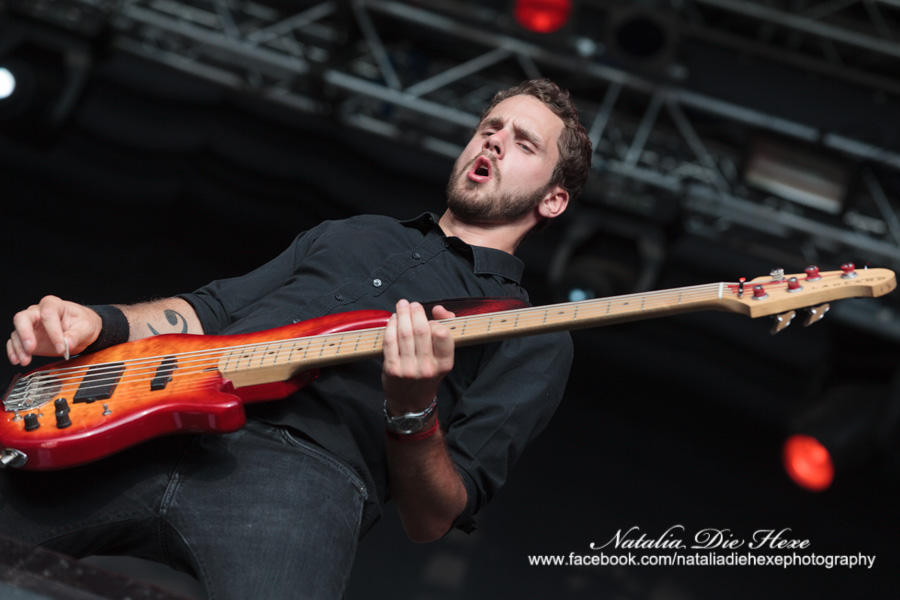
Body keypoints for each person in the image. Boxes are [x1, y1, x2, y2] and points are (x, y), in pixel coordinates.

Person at [2, 79, 592, 598]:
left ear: (554, 198)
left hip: (305, 479)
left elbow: (432, 516)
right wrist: (98, 322)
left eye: (523, 142)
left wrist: (413, 412)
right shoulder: (352, 233)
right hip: (155, 415)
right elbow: (211, 308)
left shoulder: (532, 333)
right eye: (491, 127)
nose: (493, 141)